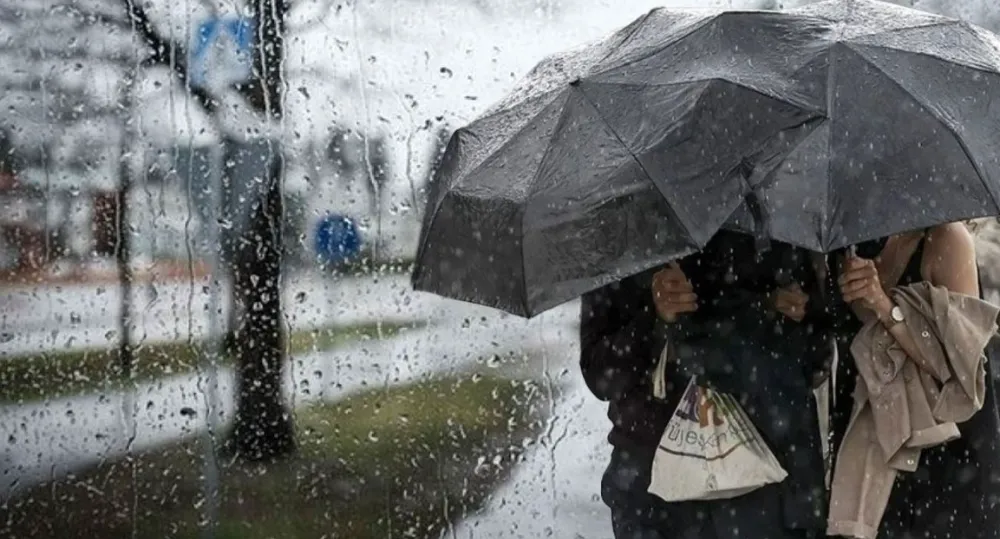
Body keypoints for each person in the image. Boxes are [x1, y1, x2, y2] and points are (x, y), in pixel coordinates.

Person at [581, 230, 831, 539]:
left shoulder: (775, 226)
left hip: (762, 477)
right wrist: (655, 318)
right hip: (654, 487)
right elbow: (601, 376)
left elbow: (815, 354)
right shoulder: (619, 241)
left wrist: (770, 310)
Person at [829, 222, 1000, 538]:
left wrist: (883, 304)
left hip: (944, 449)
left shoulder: (948, 239)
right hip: (876, 437)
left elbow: (959, 366)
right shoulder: (850, 241)